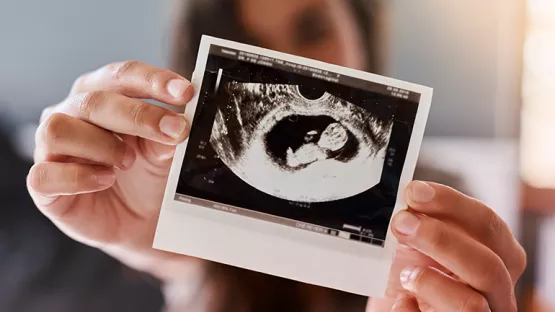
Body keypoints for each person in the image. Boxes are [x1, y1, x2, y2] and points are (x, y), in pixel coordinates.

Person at [27, 0, 526, 311]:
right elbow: (195, 274)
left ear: (362, 29)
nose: (295, 74)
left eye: (313, 30)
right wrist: (152, 240)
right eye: (250, 48)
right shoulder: (197, 229)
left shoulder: (438, 202)